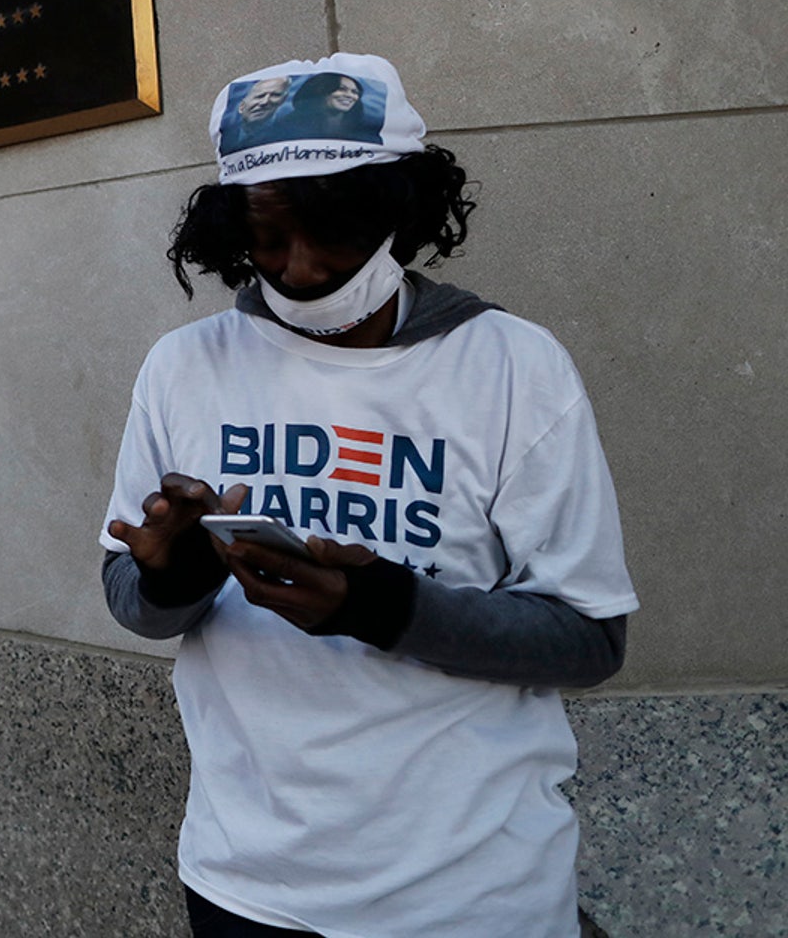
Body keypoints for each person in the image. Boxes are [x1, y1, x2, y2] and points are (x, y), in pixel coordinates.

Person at [100, 53, 638, 937]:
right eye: (270, 237)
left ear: (401, 211)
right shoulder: (184, 367)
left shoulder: (511, 365)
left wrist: (382, 605)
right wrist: (171, 573)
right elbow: (136, 604)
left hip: (469, 892)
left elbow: (587, 639)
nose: (301, 267)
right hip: (246, 887)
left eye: (335, 232)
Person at [276, 70, 378, 142]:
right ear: (321, 90)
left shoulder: (365, 127)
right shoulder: (288, 126)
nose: (350, 96)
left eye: (354, 92)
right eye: (341, 89)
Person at [217, 74, 291, 153]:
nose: (265, 102)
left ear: (283, 100)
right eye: (260, 96)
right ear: (241, 106)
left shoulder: (289, 133)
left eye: (275, 95)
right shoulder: (227, 137)